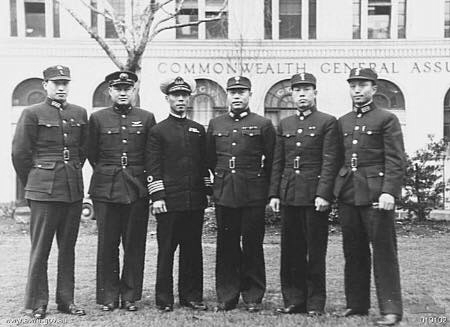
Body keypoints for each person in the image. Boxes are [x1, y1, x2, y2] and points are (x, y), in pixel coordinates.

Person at [12, 65, 87, 319]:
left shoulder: (79, 112)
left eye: (65, 83)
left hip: (72, 190)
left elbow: (82, 152)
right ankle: (36, 303)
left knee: (68, 248)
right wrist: (35, 180)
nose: (62, 87)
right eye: (56, 83)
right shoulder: (32, 113)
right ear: (45, 85)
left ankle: (66, 301)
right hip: (43, 191)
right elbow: (20, 154)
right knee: (41, 248)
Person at [333, 68, 405, 326]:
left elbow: (396, 159)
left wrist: (389, 191)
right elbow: (337, 159)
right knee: (353, 251)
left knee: (384, 251)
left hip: (376, 195)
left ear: (374, 88)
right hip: (349, 194)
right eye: (353, 85)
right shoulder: (343, 121)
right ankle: (357, 304)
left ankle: (391, 309)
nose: (357, 90)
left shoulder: (386, 119)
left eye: (363, 85)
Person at [269, 73, 338, 315]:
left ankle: (315, 302)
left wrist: (324, 194)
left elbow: (330, 161)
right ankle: (293, 300)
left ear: (315, 93)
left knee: (315, 251)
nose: (301, 94)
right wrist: (275, 194)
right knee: (290, 250)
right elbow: (278, 161)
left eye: (307, 90)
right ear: (292, 94)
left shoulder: (327, 122)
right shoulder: (285, 124)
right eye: (297, 90)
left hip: (313, 195)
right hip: (289, 194)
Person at [206, 76, 276, 312]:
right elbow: (209, 158)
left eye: (242, 92)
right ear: (227, 95)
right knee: (226, 245)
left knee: (253, 244)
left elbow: (272, 160)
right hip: (225, 191)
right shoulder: (216, 124)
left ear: (249, 95)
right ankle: (227, 295)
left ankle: (253, 296)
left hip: (253, 192)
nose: (237, 96)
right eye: (233, 92)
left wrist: (265, 187)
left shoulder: (263, 124)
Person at [87, 71, 156, 312]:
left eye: (128, 88)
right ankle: (108, 295)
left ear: (134, 91)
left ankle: (129, 296)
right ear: (110, 91)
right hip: (106, 188)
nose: (123, 92)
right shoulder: (97, 118)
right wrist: (109, 172)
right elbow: (92, 154)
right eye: (118, 88)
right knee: (107, 243)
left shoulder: (146, 118)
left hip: (136, 188)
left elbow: (151, 155)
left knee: (134, 244)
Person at [147, 76, 210, 312]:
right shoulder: (158, 131)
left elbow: (203, 164)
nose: (180, 99)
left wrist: (206, 192)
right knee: (166, 251)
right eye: (176, 95)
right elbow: (152, 166)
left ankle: (191, 296)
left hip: (194, 201)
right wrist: (158, 196)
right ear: (168, 99)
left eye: (184, 95)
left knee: (193, 250)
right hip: (169, 202)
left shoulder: (197, 129)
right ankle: (164, 299)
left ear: (189, 98)